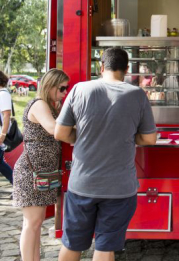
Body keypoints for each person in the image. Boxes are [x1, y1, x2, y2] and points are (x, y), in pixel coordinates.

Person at [54, 48, 157, 261]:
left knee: (72, 243)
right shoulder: (137, 94)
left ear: (101, 67)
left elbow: (60, 133)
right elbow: (149, 139)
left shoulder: (79, 90)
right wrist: (126, 137)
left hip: (82, 185)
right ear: (126, 69)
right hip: (119, 188)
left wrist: (84, 136)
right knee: (104, 247)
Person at [12, 69, 70, 261]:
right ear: (50, 86)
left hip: (43, 172)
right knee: (32, 223)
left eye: (66, 88)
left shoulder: (51, 105)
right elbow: (55, 130)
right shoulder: (39, 104)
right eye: (62, 88)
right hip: (32, 171)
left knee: (36, 223)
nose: (64, 92)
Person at [0, 71, 13, 184]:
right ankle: (17, 184)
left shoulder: (3, 94)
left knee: (1, 164)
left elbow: (6, 115)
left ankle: (18, 184)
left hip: (0, 134)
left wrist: (3, 135)